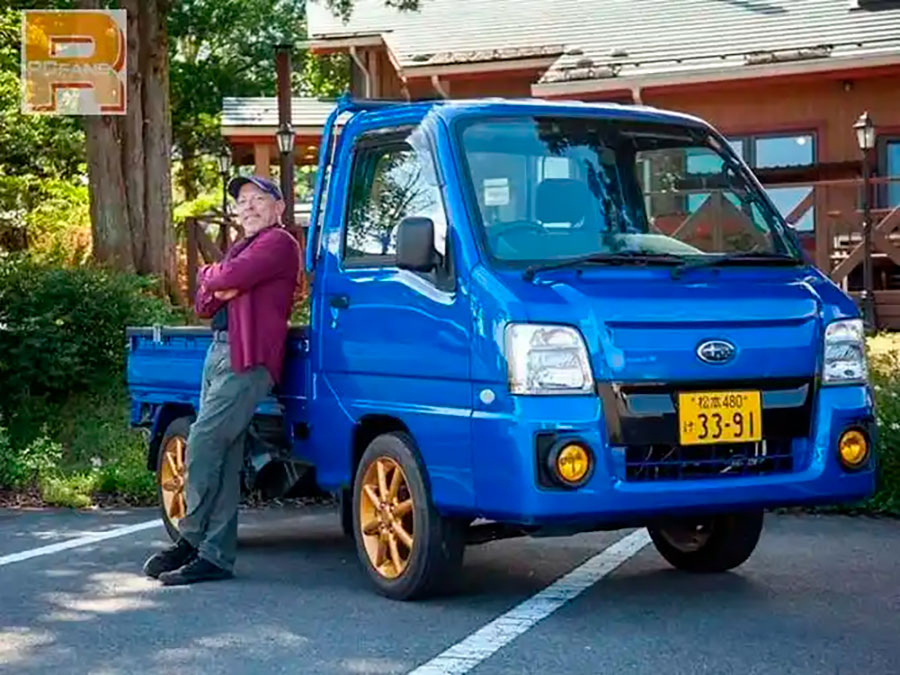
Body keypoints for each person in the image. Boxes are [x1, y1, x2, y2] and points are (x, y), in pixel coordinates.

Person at [143, 175, 300, 585]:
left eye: (258, 199)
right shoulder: (240, 248)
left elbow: (225, 279)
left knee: (204, 441)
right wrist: (220, 278)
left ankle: (190, 538)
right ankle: (215, 556)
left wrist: (221, 279)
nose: (248, 207)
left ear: (279, 207)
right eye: (242, 201)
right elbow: (204, 301)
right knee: (226, 455)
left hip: (247, 358)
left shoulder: (279, 243)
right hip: (218, 352)